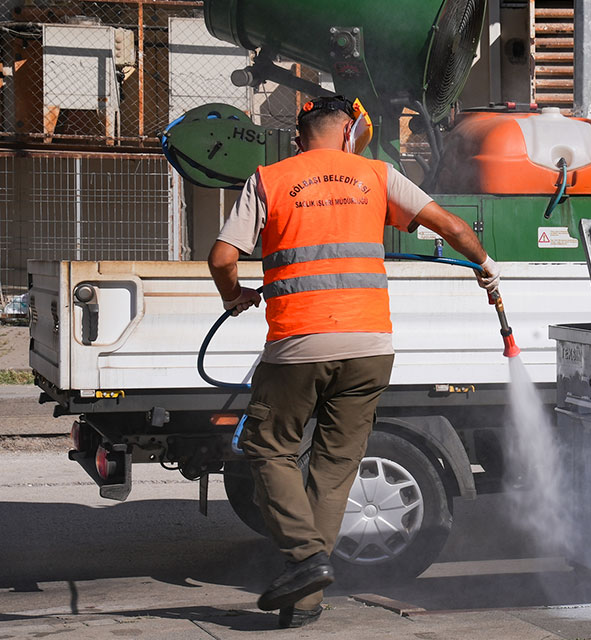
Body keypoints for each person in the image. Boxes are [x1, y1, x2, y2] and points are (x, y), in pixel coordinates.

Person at [206, 95, 498, 629]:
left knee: (269, 448)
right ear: (350, 132)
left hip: (299, 344)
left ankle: (304, 557)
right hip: (369, 348)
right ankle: (305, 600)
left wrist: (235, 295)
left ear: (301, 135)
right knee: (335, 469)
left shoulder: (270, 180)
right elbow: (452, 228)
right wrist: (485, 267)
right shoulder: (377, 174)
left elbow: (223, 257)